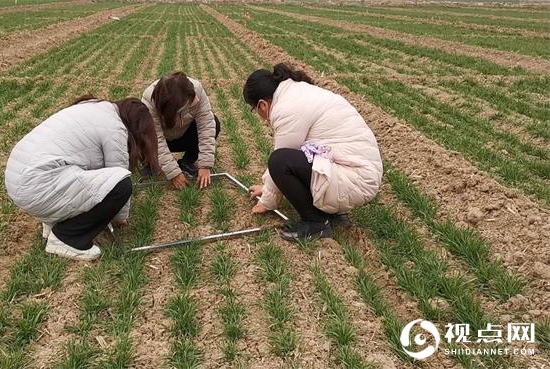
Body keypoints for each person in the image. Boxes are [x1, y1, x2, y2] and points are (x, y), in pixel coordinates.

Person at [4, 96, 159, 260]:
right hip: (38, 185)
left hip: (17, 179)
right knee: (122, 184)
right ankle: (67, 238)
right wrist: (119, 217)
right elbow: (119, 173)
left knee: (88, 180)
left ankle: (54, 222)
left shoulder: (94, 108)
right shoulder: (115, 128)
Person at [243, 63, 383, 242]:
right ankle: (332, 212)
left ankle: (316, 222)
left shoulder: (286, 108)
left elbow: (282, 159)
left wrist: (267, 201)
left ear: (262, 104)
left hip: (355, 178)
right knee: (288, 159)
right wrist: (266, 187)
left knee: (279, 161)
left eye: (255, 110)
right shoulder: (295, 93)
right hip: (357, 171)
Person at [142, 72, 220, 189]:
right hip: (161, 139)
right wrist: (174, 173)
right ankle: (151, 165)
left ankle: (187, 162)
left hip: (183, 136)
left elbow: (206, 126)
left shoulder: (195, 90)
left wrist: (205, 165)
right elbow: (155, 138)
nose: (196, 100)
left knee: (214, 122)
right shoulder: (150, 100)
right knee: (140, 131)